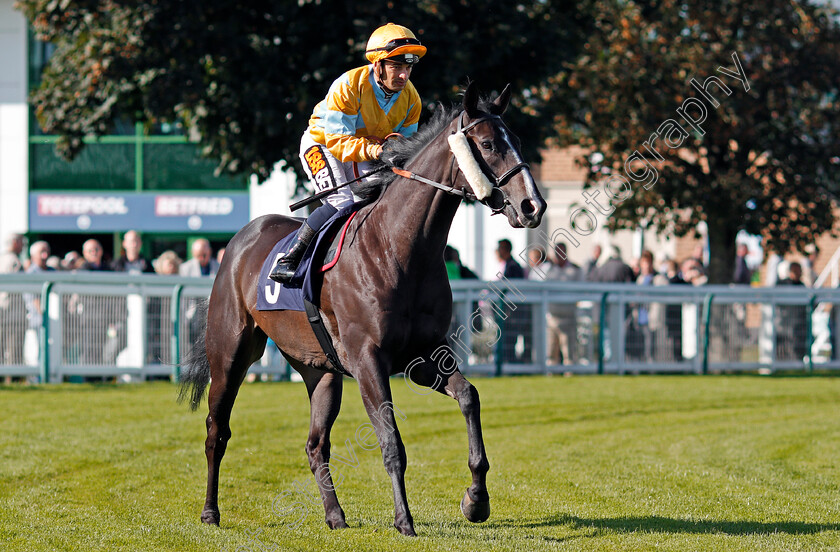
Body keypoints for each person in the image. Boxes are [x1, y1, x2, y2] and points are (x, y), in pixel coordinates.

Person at [269, 23, 426, 283]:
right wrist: (378, 150)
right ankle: (290, 258)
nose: (403, 76)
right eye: (397, 67)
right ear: (378, 65)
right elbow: (338, 142)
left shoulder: (412, 99)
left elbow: (404, 145)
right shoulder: (349, 85)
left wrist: (397, 150)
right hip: (323, 144)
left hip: (366, 150)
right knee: (341, 200)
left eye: (408, 68)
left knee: (382, 200)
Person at [543, 243, 582, 365]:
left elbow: (581, 291)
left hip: (568, 317)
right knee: (550, 352)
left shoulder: (575, 270)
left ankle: (569, 374)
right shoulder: (549, 270)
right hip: (552, 317)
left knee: (568, 352)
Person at [496, 239, 530, 363]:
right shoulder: (508, 265)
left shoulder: (513, 266)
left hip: (513, 311)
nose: (498, 251)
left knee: (509, 341)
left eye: (500, 248)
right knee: (507, 341)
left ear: (506, 250)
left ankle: (511, 366)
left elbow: (514, 290)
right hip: (510, 310)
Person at [0, 234, 25, 367]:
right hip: (12, 314)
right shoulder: (14, 261)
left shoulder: (2, 258)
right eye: (22, 242)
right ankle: (13, 379)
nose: (23, 246)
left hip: (4, 312)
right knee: (14, 353)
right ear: (15, 243)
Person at [776, 261, 808, 361]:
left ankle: (797, 363)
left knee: (798, 347)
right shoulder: (783, 285)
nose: (798, 273)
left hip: (799, 324)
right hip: (785, 323)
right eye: (795, 270)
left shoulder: (802, 286)